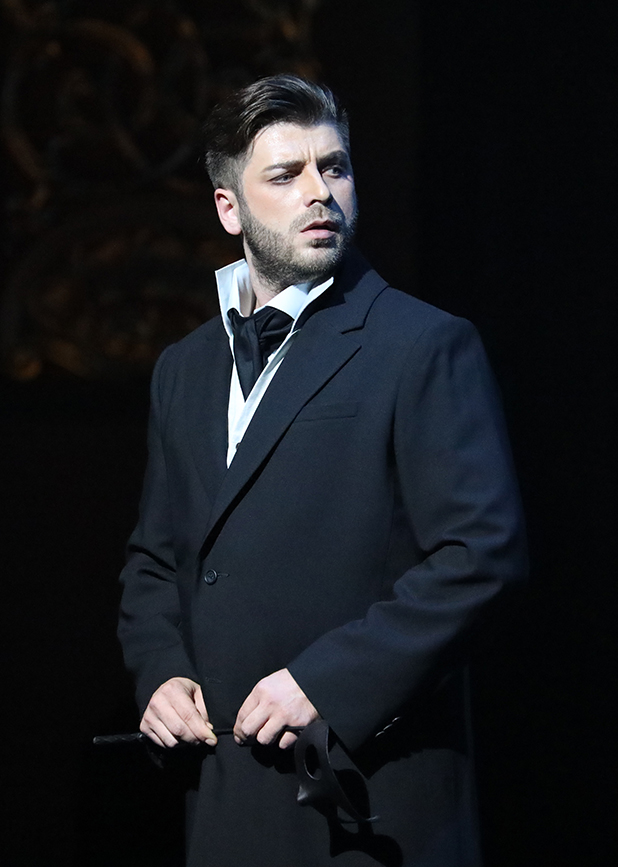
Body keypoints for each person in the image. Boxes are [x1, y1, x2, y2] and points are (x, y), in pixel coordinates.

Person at [118, 74, 527, 867]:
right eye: (286, 174)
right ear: (228, 208)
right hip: (225, 797)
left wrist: (327, 682)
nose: (320, 193)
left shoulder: (421, 345)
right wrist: (160, 671)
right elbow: (156, 558)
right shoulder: (185, 367)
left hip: (367, 806)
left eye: (333, 167)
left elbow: (482, 558)